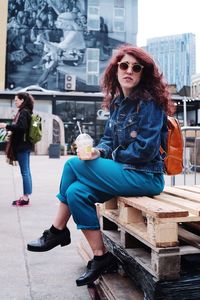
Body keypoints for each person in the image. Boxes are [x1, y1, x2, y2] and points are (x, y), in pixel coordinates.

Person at [27, 45, 174, 286]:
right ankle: (101, 256)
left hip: (145, 176)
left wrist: (109, 155)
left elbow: (145, 149)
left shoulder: (149, 103)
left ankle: (57, 230)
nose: (129, 71)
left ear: (143, 74)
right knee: (76, 193)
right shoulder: (117, 104)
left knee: (73, 165)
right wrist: (98, 150)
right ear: (115, 70)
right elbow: (108, 139)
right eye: (124, 65)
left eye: (136, 68)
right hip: (124, 173)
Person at [0, 92, 34, 206]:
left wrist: (6, 125)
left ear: (22, 100)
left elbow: (21, 128)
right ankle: (26, 195)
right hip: (26, 145)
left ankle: (25, 197)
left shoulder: (23, 112)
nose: (15, 102)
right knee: (27, 171)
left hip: (22, 146)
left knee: (25, 172)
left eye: (16, 100)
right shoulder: (27, 111)